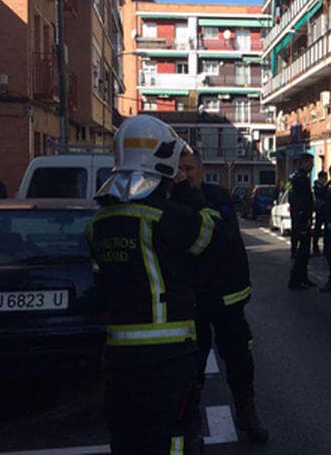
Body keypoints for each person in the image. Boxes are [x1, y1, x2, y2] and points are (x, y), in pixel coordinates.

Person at [86, 115, 224, 454]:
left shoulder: (99, 221)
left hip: (119, 355)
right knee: (172, 436)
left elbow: (101, 285)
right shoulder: (163, 216)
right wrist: (184, 189)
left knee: (127, 437)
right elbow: (212, 235)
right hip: (168, 353)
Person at [177, 150, 268, 443]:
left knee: (240, 361)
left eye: (190, 168)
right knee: (191, 367)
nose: (185, 174)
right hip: (192, 302)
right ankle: (190, 421)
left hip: (227, 299)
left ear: (201, 170)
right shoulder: (169, 202)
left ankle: (247, 413)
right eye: (179, 169)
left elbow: (226, 240)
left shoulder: (216, 196)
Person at [288, 153, 316, 290]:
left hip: (303, 218)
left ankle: (303, 278)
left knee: (305, 251)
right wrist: (304, 218)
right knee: (303, 252)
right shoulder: (301, 179)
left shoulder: (303, 177)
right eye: (311, 163)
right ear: (303, 163)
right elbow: (302, 201)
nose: (313, 166)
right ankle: (295, 280)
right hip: (302, 219)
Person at [312, 171, 329, 256]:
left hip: (325, 210)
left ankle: (326, 248)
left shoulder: (324, 186)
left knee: (326, 230)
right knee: (317, 229)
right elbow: (320, 193)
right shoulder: (317, 186)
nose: (326, 180)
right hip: (320, 210)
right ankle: (315, 247)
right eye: (324, 178)